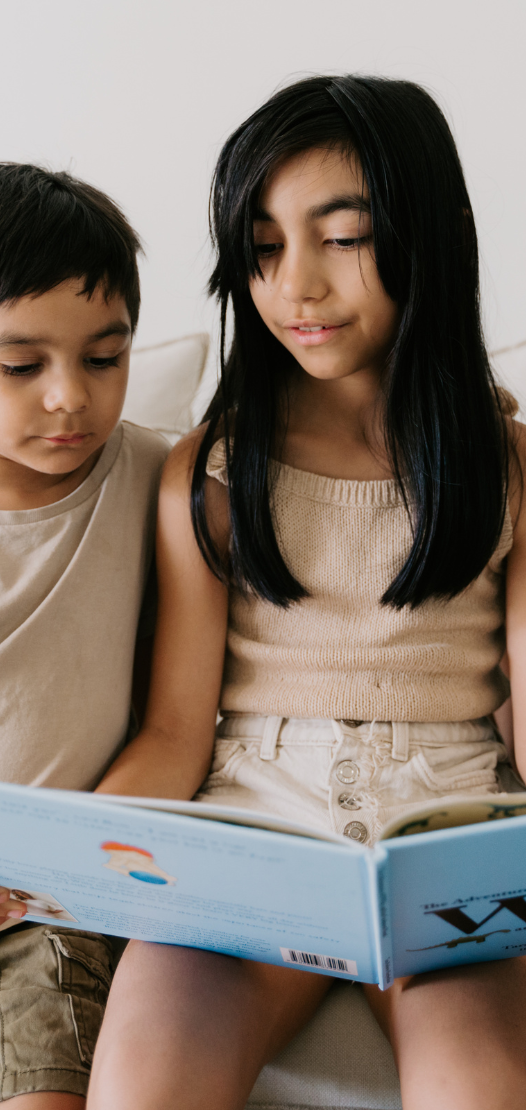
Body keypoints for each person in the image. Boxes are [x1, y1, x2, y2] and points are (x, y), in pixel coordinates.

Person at [86, 74, 526, 1110]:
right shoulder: (208, 469)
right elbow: (169, 732)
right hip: (250, 826)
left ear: (427, 234)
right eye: (263, 245)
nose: (295, 284)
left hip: (453, 840)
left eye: (341, 236)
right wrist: (63, 861)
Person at [0, 165, 169, 1108]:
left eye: (103, 359)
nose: (69, 397)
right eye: (19, 366)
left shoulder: (162, 475)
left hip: (51, 899)